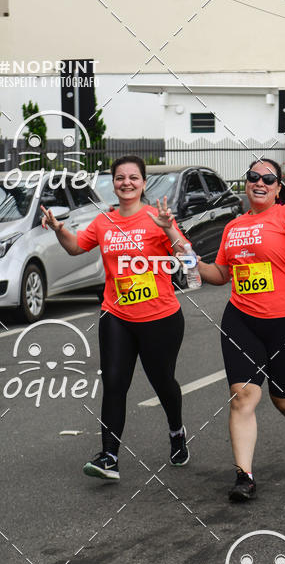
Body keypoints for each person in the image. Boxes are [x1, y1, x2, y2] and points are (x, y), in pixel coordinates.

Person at [196, 158, 285, 502]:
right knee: (242, 396)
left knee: (284, 399)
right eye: (253, 177)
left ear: (278, 188)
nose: (259, 182)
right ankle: (244, 476)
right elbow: (220, 275)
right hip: (242, 319)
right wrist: (192, 265)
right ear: (245, 183)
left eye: (268, 178)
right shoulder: (232, 227)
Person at [41, 155, 189, 480]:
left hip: (160, 317)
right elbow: (76, 248)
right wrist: (58, 229)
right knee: (113, 382)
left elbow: (187, 258)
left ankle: (176, 430)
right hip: (116, 314)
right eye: (120, 178)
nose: (126, 183)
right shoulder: (104, 222)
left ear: (143, 183)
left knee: (162, 382)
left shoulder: (156, 218)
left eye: (133, 177)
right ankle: (109, 456)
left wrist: (170, 230)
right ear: (113, 183)